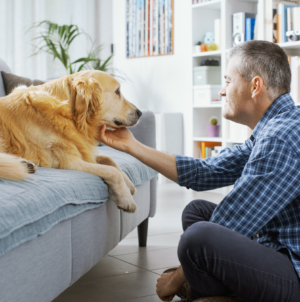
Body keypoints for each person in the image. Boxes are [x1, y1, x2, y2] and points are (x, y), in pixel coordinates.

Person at [98, 41, 300, 302]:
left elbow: (236, 218)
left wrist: (177, 277)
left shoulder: (280, 138)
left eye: (227, 80)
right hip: (276, 242)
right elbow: (206, 172)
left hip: (294, 271)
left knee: (198, 237)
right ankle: (224, 293)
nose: (222, 91)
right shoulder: (275, 126)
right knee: (197, 213)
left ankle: (211, 293)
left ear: (255, 86)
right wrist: (132, 145)